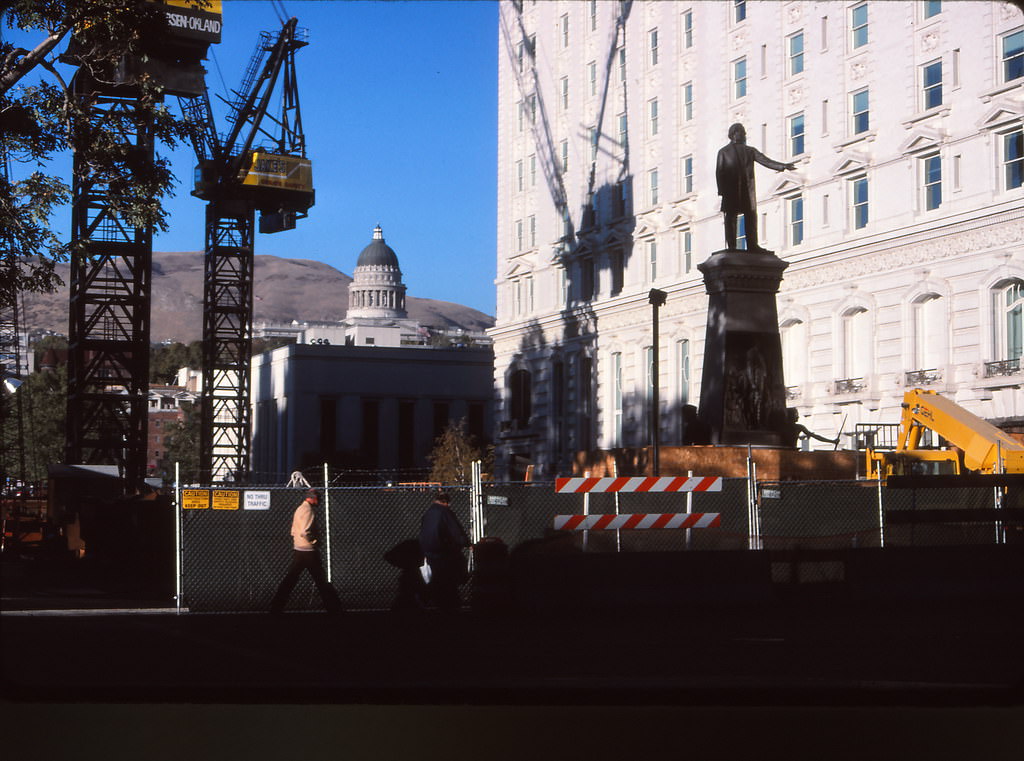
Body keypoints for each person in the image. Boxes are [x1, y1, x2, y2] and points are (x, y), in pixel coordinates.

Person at [716, 122, 796, 254]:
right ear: (734, 134)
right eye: (742, 132)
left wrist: (783, 166)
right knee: (731, 217)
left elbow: (765, 160)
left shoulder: (750, 151)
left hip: (747, 188)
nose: (744, 134)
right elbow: (719, 171)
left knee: (751, 215)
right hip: (731, 190)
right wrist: (722, 190)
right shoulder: (723, 152)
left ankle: (753, 245)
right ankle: (732, 246)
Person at [269, 488, 344, 615]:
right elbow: (305, 531)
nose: (319, 501)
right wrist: (314, 542)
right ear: (313, 498)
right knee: (321, 580)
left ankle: (276, 606)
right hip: (308, 551)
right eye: (318, 498)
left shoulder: (300, 508)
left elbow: (294, 530)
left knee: (291, 579)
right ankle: (334, 607)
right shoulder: (308, 510)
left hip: (299, 550)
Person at [418, 489, 471, 613]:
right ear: (446, 502)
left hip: (429, 552)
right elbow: (456, 531)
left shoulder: (428, 513)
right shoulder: (445, 512)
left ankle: (435, 602)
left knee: (436, 578)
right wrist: (466, 543)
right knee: (448, 580)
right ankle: (450, 606)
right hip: (444, 552)